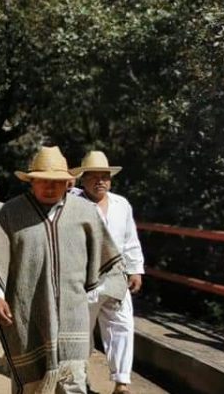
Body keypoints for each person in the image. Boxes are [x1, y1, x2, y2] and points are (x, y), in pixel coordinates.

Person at [0, 146, 124, 394]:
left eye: (56, 182)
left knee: (73, 381)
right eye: (43, 181)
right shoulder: (12, 213)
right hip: (27, 313)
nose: (49, 187)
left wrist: (104, 288)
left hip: (73, 314)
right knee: (31, 385)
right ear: (31, 182)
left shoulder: (85, 213)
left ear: (69, 182)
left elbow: (107, 259)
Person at [70, 151, 144, 394]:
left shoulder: (121, 204)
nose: (100, 181)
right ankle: (81, 378)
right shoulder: (72, 203)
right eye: (93, 177)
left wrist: (135, 270)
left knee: (122, 325)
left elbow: (130, 239)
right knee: (81, 331)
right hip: (83, 278)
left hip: (115, 276)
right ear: (83, 179)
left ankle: (121, 382)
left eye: (105, 176)